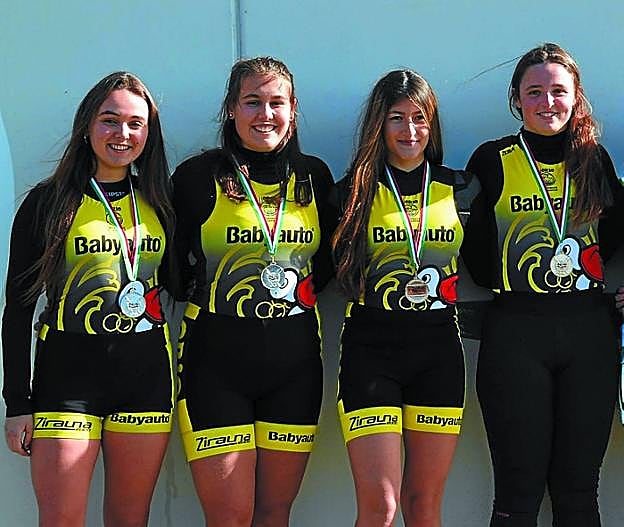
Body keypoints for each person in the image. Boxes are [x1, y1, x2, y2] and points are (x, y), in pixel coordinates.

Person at [2, 71, 175, 527]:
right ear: (86, 126)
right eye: (109, 120)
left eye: (136, 124)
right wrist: (17, 402)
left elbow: (180, 283)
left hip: (146, 378)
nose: (123, 134)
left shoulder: (161, 200)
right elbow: (18, 309)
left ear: (149, 133)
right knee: (61, 520)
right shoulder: (47, 202)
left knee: (129, 519)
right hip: (67, 378)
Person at [461, 43, 624, 527]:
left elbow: (618, 237)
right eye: (534, 92)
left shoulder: (595, 160)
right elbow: (473, 255)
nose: (547, 102)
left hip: (588, 334)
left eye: (558, 91)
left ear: (576, 97)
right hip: (516, 332)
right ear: (516, 98)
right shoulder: (491, 160)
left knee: (578, 494)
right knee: (517, 493)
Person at [173, 56, 336, 527]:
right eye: (252, 102)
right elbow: (170, 264)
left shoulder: (314, 176)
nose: (266, 114)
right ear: (231, 108)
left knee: (274, 513)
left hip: (295, 365)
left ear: (293, 109)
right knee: (229, 517)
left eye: (276, 103)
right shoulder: (196, 177)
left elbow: (327, 264)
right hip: (213, 363)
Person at [332, 69, 479, 527]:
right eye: (397, 118)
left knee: (423, 506)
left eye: (419, 118)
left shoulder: (461, 187)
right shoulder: (350, 192)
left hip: (438, 351)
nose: (409, 130)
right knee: (381, 507)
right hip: (371, 350)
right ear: (379, 123)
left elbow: (488, 264)